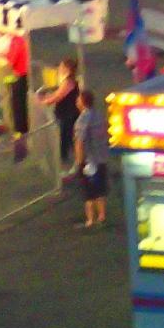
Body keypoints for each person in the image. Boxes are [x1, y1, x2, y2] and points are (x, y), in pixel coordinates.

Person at [73, 89, 109, 229]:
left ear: (82, 102)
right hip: (102, 158)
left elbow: (79, 142)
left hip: (89, 161)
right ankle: (102, 216)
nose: (76, 102)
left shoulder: (82, 120)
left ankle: (90, 220)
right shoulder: (99, 115)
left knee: (88, 192)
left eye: (78, 99)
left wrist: (79, 161)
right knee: (101, 189)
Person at [41, 58, 81, 175]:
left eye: (62, 67)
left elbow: (57, 97)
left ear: (68, 70)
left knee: (66, 140)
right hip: (65, 114)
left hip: (68, 116)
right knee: (67, 140)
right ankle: (73, 165)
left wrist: (42, 101)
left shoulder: (68, 83)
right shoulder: (66, 81)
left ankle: (69, 167)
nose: (59, 69)